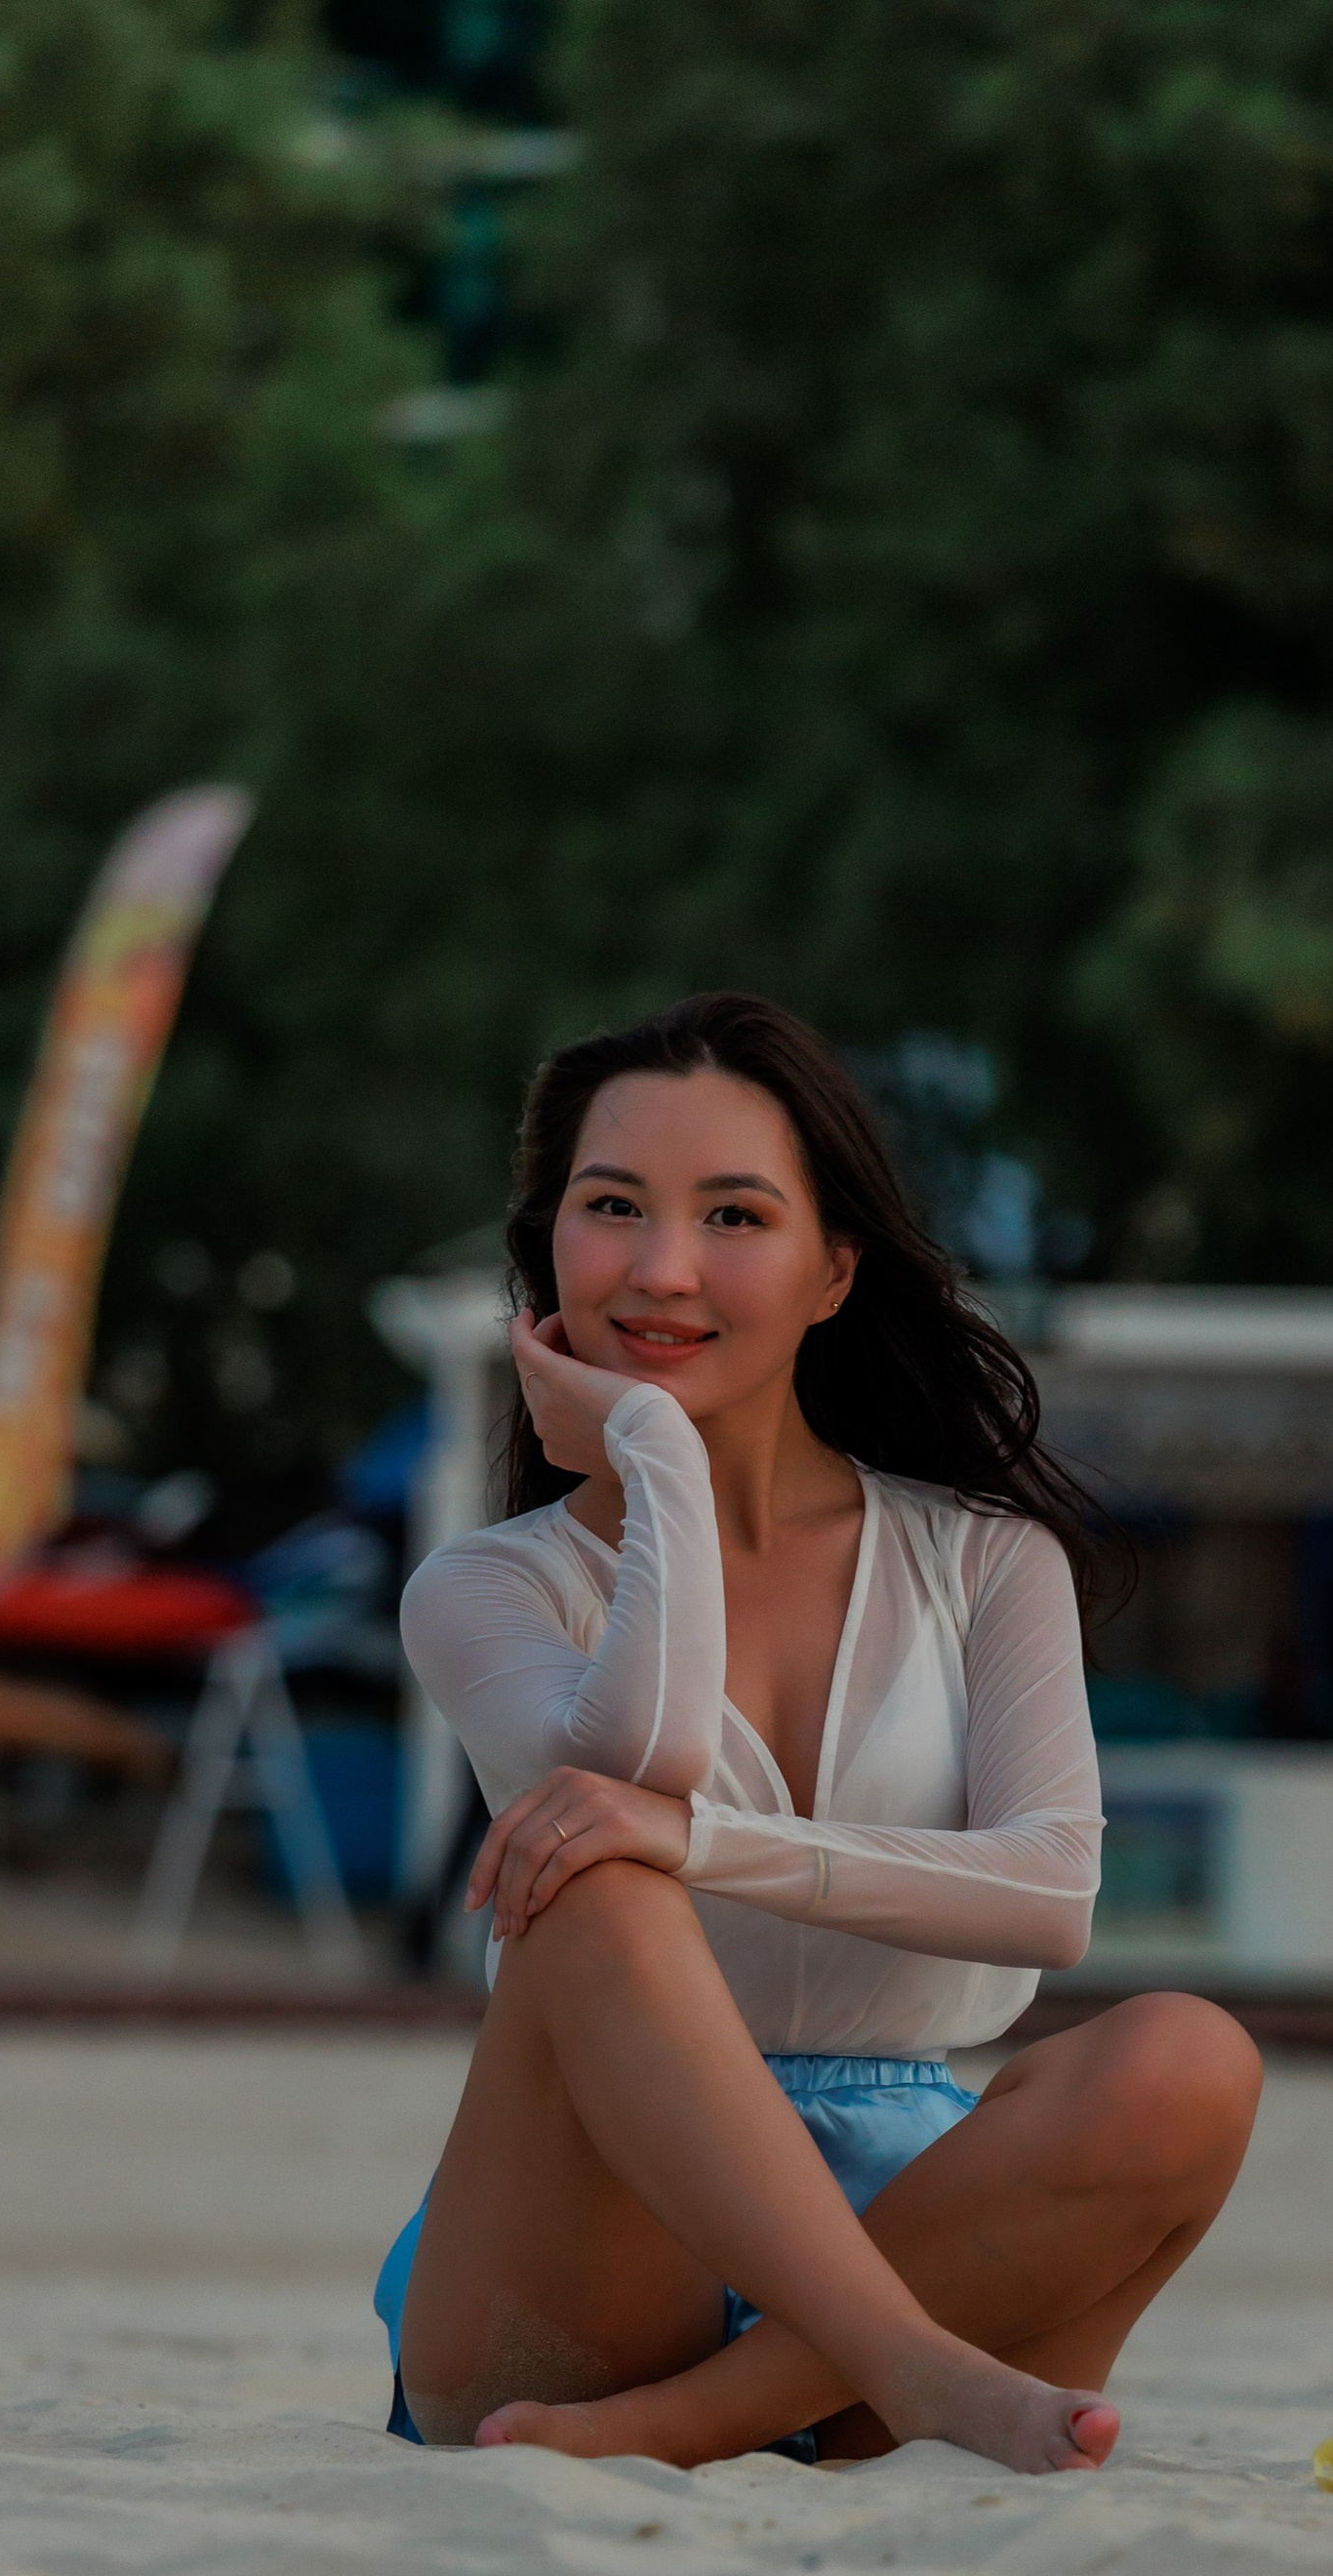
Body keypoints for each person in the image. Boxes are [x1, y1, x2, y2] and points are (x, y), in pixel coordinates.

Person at [379, 992, 1261, 2475]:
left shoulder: (984, 1562)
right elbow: (633, 1770)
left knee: (1190, 2057)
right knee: (587, 1878)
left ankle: (724, 2416)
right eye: (613, 1209)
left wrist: (712, 1843)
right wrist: (656, 1451)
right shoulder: (482, 1589)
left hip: (917, 2213)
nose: (663, 1270)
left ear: (833, 1270)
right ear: (547, 1261)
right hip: (588, 2243)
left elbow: (1052, 1898)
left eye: (735, 1215)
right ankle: (904, 2370)